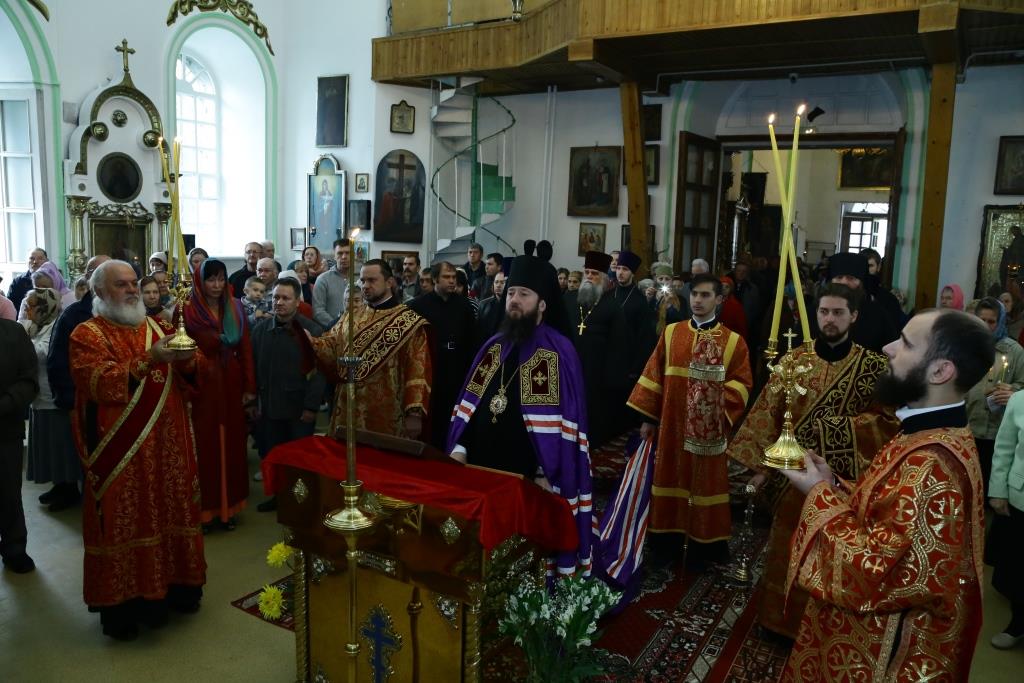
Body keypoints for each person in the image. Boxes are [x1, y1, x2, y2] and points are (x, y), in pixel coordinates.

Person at [779, 309, 994, 682]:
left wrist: (817, 493)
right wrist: (834, 485)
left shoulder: (933, 464)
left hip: (882, 654)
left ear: (940, 371)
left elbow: (873, 571)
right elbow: (891, 519)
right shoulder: (929, 432)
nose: (888, 348)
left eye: (906, 343)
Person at [727, 283, 900, 638]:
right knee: (785, 548)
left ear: (853, 316)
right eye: (824, 312)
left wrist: (833, 431)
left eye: (838, 312)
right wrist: (760, 469)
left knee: (827, 552)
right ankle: (775, 621)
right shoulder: (794, 361)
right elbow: (767, 413)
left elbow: (886, 422)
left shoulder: (873, 368)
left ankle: (814, 628)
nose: (830, 319)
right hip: (790, 479)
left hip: (840, 482)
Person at [69, 260, 207, 639]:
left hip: (168, 448)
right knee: (123, 521)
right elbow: (99, 382)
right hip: (120, 453)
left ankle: (178, 590)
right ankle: (125, 609)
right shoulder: (88, 334)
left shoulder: (160, 327)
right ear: (100, 291)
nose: (132, 290)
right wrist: (151, 359)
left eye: (134, 283)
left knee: (170, 510)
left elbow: (194, 373)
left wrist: (189, 361)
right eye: (122, 285)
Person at [447, 247, 591, 576]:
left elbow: (562, 425)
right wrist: (460, 447)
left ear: (542, 304)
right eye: (511, 292)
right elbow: (471, 404)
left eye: (524, 294)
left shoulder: (558, 352)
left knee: (521, 556)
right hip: (482, 466)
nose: (513, 300)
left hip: (527, 474)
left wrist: (544, 471)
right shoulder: (494, 346)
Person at [627, 273, 753, 568]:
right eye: (694, 294)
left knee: (705, 484)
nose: (697, 300)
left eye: (705, 295)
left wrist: (714, 411)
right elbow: (654, 374)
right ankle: (665, 543)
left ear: (719, 299)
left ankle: (705, 547)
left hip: (708, 433)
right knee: (669, 477)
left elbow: (743, 384)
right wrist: (648, 418)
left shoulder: (733, 342)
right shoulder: (672, 333)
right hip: (671, 426)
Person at [312, 259, 430, 440]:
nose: (365, 285)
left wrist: (414, 413)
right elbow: (331, 347)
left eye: (372, 280)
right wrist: (310, 341)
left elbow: (417, 370)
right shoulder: (351, 316)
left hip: (387, 410)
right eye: (363, 280)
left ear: (389, 282)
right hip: (348, 405)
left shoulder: (408, 322)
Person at [184, 259, 256, 531]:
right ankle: (205, 511)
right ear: (200, 281)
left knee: (233, 445)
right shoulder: (187, 309)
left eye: (220, 279)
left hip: (231, 382)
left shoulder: (235, 307)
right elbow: (181, 351)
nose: (216, 285)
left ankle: (229, 509)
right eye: (210, 279)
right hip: (202, 386)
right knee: (205, 446)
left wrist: (249, 388)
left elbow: (246, 349)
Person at [251, 278, 325, 512]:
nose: (279, 302)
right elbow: (253, 368)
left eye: (285, 298)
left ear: (297, 301)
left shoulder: (311, 330)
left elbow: (319, 374)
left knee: (299, 459)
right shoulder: (261, 330)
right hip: (270, 407)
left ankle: (301, 504)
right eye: (275, 297)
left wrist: (311, 406)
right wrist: (253, 401)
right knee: (274, 455)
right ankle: (279, 498)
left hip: (299, 409)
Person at [23, 288, 81, 513]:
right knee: (47, 444)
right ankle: (58, 484)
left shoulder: (56, 325)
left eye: (31, 306)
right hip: (38, 395)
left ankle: (69, 489)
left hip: (53, 394)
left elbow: (45, 353)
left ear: (44, 307)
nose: (27, 311)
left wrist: (22, 342)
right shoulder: (35, 326)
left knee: (60, 444)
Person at [408, 261, 477, 448]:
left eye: (454, 277)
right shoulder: (419, 305)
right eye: (446, 277)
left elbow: (472, 338)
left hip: (457, 372)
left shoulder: (464, 305)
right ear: (435, 279)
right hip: (431, 371)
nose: (452, 281)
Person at [566, 251, 628, 449]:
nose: (589, 277)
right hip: (569, 366)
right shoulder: (569, 299)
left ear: (603, 278)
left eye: (594, 274)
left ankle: (589, 444)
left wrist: (612, 377)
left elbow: (618, 345)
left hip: (596, 371)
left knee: (592, 411)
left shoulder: (612, 306)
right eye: (587, 272)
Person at [967, 297, 1024, 497]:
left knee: (990, 488)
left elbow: (1022, 386)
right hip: (969, 427)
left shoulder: (1015, 352)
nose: (986, 325)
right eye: (981, 320)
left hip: (998, 431)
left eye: (991, 321)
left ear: (1000, 322)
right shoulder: (966, 347)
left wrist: (1013, 392)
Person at [0, 316, 38, 573]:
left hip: (4, 429)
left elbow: (28, 380)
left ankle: (14, 547)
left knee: (8, 493)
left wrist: (5, 404)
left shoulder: (13, 333)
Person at [989, 389, 1024, 650]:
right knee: (1019, 567)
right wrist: (998, 491)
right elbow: (1003, 448)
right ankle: (1018, 623)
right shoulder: (1019, 400)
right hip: (1020, 498)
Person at [612, 250, 657, 433]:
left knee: (624, 414)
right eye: (618, 268)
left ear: (632, 273)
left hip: (627, 362)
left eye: (625, 269)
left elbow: (644, 338)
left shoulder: (639, 301)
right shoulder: (609, 294)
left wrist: (635, 368)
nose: (620, 273)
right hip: (609, 359)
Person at [828, 252, 899, 352]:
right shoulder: (815, 312)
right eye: (839, 277)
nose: (844, 282)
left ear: (861, 282)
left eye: (851, 278)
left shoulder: (879, 316)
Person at [312, 239, 351, 329]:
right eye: (340, 253)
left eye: (348, 253)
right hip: (332, 330)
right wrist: (338, 326)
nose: (344, 257)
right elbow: (318, 311)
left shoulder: (362, 278)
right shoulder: (323, 279)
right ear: (334, 256)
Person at [7, 247, 47, 311]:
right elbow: (10, 307)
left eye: (40, 258)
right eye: (32, 258)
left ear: (47, 261)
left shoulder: (53, 280)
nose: (35, 262)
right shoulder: (17, 282)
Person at [477, 270, 507, 345]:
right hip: (486, 344)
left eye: (502, 282)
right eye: (496, 282)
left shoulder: (512, 306)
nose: (498, 285)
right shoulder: (483, 304)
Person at [717, 275, 748, 340]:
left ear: (731, 289)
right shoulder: (713, 301)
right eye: (721, 286)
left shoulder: (736, 305)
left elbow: (741, 326)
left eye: (727, 287)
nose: (723, 288)